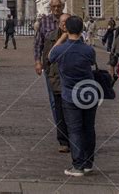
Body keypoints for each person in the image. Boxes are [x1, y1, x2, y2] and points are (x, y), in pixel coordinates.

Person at [49, 16, 97, 177]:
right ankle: (89, 163)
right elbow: (91, 62)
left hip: (70, 95)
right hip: (89, 93)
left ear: (67, 29)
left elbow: (50, 56)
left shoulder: (60, 50)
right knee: (89, 128)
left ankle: (78, 165)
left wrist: (63, 37)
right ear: (82, 29)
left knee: (75, 129)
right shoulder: (89, 50)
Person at [33, 0, 65, 123]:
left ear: (63, 6)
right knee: (53, 98)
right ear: (50, 8)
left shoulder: (68, 20)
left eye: (59, 6)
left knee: (67, 96)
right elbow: (38, 43)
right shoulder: (44, 21)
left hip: (66, 64)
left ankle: (68, 124)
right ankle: (60, 127)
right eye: (54, 6)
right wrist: (37, 62)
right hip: (50, 65)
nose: (56, 9)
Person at [42, 13, 71, 153]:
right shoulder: (50, 37)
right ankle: (64, 140)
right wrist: (49, 74)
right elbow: (47, 57)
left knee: (72, 111)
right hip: (56, 79)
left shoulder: (77, 38)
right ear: (59, 23)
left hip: (72, 80)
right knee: (59, 110)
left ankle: (74, 138)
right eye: (62, 22)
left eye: (67, 22)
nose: (64, 24)